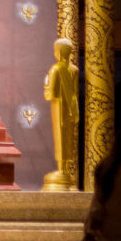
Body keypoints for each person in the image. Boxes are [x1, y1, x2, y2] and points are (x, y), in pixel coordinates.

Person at [43, 37, 79, 189]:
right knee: (68, 138)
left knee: (60, 136)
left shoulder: (56, 69)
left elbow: (50, 94)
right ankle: (64, 170)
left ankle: (61, 169)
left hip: (59, 108)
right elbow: (75, 91)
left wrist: (46, 82)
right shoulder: (74, 69)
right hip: (71, 108)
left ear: (58, 51)